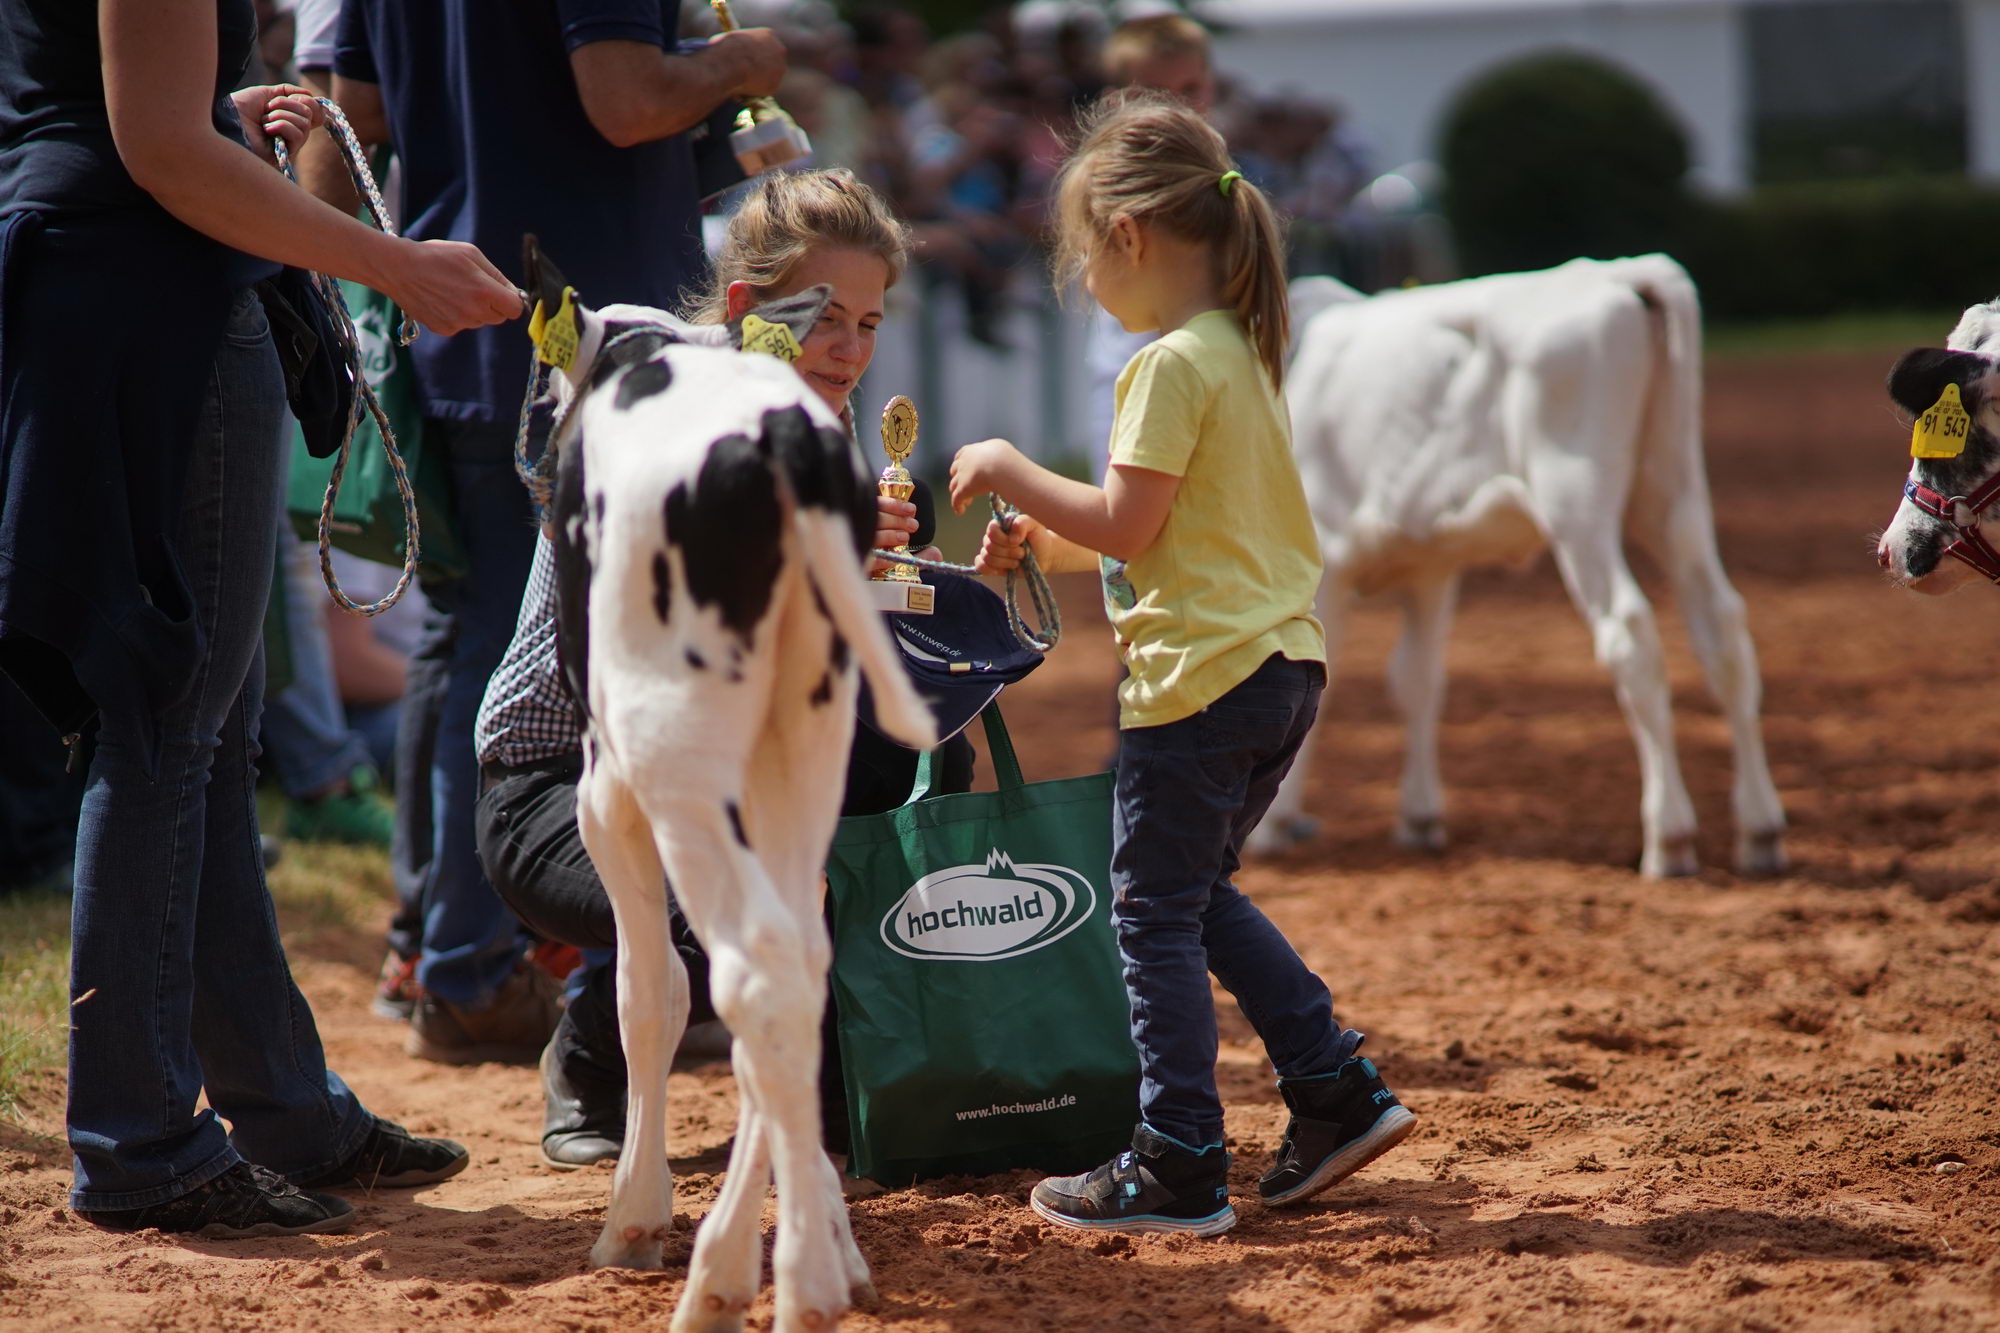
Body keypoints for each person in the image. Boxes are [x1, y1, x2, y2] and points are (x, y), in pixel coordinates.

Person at [0, 0, 521, 1236]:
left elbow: (140, 119)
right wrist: (393, 261)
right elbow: (160, 155)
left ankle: (281, 1108)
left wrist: (218, 122)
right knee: (167, 730)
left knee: (200, 731)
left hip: (117, 280)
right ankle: (141, 1142)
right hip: (150, 295)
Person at [949, 96, 1417, 1237]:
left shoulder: (1165, 366)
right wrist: (1041, 542)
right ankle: (1331, 1089)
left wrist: (1009, 468)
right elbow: (1147, 529)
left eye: (1077, 253)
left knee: (1147, 912)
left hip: (1195, 687)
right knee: (1193, 894)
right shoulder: (1239, 353)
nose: (1080, 279)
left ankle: (1177, 1159)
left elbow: (1121, 520)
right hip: (1274, 670)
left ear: (1128, 238)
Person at [474, 168, 975, 1167]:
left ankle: (850, 1094)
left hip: (726, 772)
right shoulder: (649, 386)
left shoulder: (824, 430)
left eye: (869, 324)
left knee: (924, 774)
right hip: (557, 783)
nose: (848, 348)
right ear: (748, 305)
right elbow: (566, 451)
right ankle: (594, 1054)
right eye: (824, 316)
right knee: (719, 907)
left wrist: (884, 568)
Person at [328, 0, 789, 1066]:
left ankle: (446, 957)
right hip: (589, 346)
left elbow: (347, 118)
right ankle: (481, 970)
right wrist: (740, 61)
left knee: (466, 642)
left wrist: (355, 300)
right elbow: (627, 102)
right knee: (580, 657)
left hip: (451, 328)